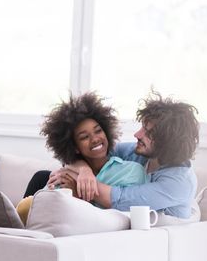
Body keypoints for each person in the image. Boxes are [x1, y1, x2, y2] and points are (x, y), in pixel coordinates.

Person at [46, 91, 199, 219]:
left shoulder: (179, 182)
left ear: (168, 142)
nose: (137, 134)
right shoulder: (137, 152)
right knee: (43, 176)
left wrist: (77, 184)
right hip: (117, 229)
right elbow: (90, 153)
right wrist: (84, 171)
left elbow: (119, 200)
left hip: (154, 243)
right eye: (142, 127)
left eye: (149, 133)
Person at [17, 92, 146, 223]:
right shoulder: (65, 175)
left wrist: (77, 197)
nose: (95, 139)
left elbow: (121, 217)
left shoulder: (131, 171)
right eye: (84, 137)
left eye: (98, 131)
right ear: (74, 147)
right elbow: (40, 212)